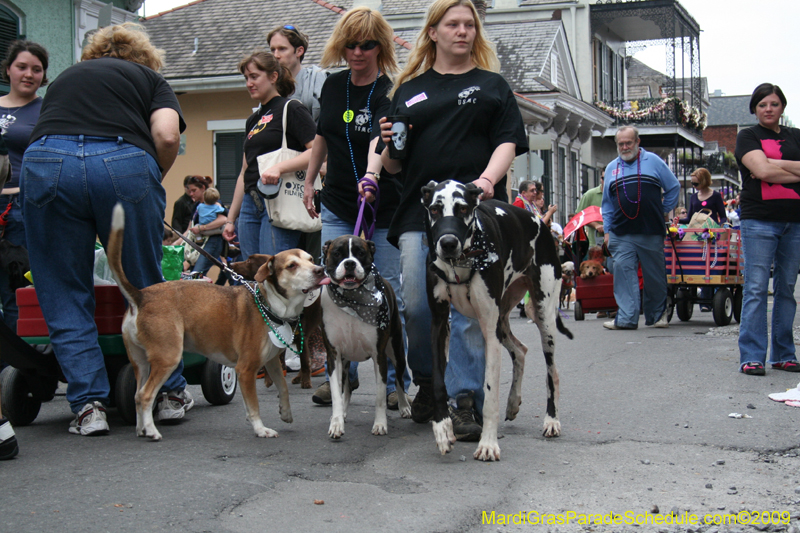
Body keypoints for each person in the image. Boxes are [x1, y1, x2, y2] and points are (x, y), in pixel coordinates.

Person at [20, 23, 188, 435]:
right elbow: (166, 135)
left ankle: (88, 407)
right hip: (122, 161)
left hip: (46, 161)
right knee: (146, 285)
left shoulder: (65, 78)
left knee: (63, 288)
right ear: (144, 58)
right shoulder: (150, 79)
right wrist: (153, 177)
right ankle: (168, 395)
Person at [378, 0, 528, 440]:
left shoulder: (492, 86)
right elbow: (393, 167)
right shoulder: (408, 90)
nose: (462, 31)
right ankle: (428, 381)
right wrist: (387, 145)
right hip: (418, 212)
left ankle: (464, 400)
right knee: (417, 303)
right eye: (452, 24)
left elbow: (508, 143)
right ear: (433, 32)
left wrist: (485, 182)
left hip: (473, 215)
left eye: (469, 25)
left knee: (467, 309)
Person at [303, 6, 410, 409]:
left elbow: (379, 142)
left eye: (367, 45)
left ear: (380, 47)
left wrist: (372, 176)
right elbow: (322, 137)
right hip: (337, 205)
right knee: (333, 291)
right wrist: (311, 180)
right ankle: (341, 379)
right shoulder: (332, 87)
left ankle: (396, 381)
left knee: (387, 295)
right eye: (351, 45)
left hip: (382, 205)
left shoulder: (390, 90)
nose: (358, 52)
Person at [222, 50, 316, 258]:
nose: (249, 83)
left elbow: (318, 153)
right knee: (252, 271)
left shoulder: (291, 109)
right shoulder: (252, 119)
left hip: (280, 198)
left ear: (273, 77)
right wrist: (230, 219)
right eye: (246, 78)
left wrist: (279, 167)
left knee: (276, 270)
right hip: (250, 202)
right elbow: (244, 171)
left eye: (254, 76)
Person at [734, 83, 800, 376]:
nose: (768, 109)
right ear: (755, 109)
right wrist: (790, 168)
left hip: (795, 221)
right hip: (759, 219)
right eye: (762, 105)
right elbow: (761, 172)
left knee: (786, 288)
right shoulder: (747, 136)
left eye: (773, 104)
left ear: (782, 107)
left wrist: (772, 161)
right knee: (757, 288)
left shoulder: (796, 136)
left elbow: (766, 168)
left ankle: (784, 354)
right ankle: (752, 356)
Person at [601, 125, 679, 330]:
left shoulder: (653, 160)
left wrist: (662, 210)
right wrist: (607, 231)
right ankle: (626, 319)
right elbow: (607, 204)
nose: (625, 147)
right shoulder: (611, 168)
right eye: (621, 144)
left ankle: (657, 315)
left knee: (654, 276)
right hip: (620, 231)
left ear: (637, 142)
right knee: (623, 274)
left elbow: (673, 187)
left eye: (629, 142)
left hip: (650, 230)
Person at [268, 24, 329, 264]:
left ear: (299, 51)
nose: (276, 55)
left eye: (282, 48)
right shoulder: (269, 85)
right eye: (272, 49)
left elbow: (331, 126)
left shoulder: (318, 80)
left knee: (315, 249)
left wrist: (326, 164)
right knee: (286, 256)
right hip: (284, 181)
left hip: (319, 174)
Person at [0, 40, 48, 335]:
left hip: (19, 209)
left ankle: (13, 372)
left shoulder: (47, 111)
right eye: (22, 67)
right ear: (8, 70)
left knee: (15, 292)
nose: (29, 74)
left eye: (37, 69)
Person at [674, 167, 727, 312]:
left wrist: (723, 226)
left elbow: (722, 215)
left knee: (709, 264)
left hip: (710, 235)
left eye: (696, 184)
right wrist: (679, 221)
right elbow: (690, 218)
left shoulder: (715, 196)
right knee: (699, 264)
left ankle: (709, 300)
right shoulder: (693, 197)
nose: (694, 186)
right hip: (696, 236)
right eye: (693, 184)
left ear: (704, 181)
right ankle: (700, 299)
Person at [190, 184, 228, 276]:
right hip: (212, 232)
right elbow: (226, 213)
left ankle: (199, 239)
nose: (191, 194)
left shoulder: (199, 206)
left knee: (198, 271)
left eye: (194, 190)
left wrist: (200, 228)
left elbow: (223, 219)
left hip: (209, 236)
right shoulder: (217, 206)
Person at [576, 175, 605, 249]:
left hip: (616, 243)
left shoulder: (618, 195)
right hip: (594, 243)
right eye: (603, 178)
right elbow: (579, 216)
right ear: (600, 179)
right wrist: (596, 225)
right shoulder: (589, 195)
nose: (605, 180)